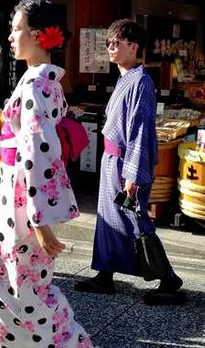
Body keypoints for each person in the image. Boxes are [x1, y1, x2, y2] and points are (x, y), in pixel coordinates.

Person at [0, 0, 93, 347]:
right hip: (22, 197)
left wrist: (39, 221)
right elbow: (33, 142)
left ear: (39, 35)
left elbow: (37, 154)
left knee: (17, 287)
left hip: (23, 206)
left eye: (16, 30)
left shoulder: (35, 87)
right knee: (21, 283)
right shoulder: (46, 84)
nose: (11, 37)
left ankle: (64, 341)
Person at [74, 19, 184, 305]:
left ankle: (168, 280)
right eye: (108, 43)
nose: (111, 48)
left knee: (135, 218)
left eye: (116, 43)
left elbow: (140, 131)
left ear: (133, 46)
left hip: (125, 164)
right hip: (113, 159)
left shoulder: (141, 83)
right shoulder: (126, 79)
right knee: (109, 218)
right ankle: (105, 274)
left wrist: (133, 175)